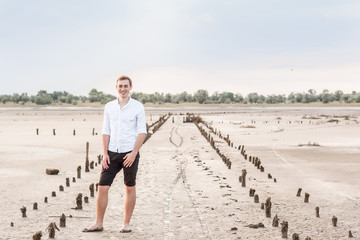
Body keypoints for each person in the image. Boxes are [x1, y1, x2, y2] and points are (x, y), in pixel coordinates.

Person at [83, 75, 147, 233]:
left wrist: (134, 153)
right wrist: (105, 153)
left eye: (126, 86)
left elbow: (142, 132)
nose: (123, 89)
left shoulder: (138, 107)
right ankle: (98, 223)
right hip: (112, 153)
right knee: (102, 187)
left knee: (130, 188)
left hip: (129, 153)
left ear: (130, 87)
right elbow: (105, 131)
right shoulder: (109, 106)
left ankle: (126, 224)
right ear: (116, 88)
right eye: (120, 86)